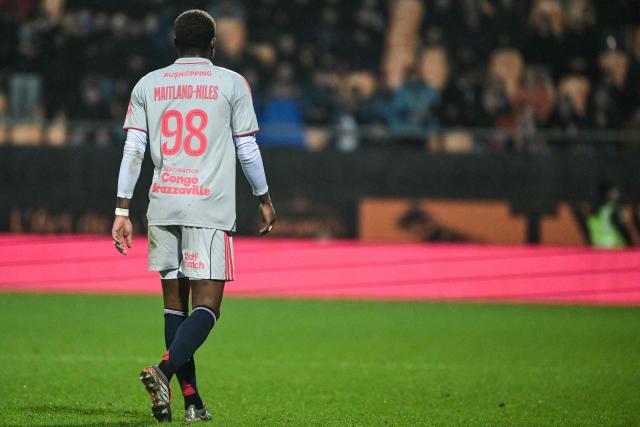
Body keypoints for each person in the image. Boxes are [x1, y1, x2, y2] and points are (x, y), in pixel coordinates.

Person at [110, 9, 276, 423]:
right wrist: (264, 197)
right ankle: (163, 372)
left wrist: (121, 209)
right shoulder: (232, 83)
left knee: (174, 308)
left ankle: (192, 403)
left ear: (174, 43)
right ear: (213, 44)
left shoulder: (148, 84)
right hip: (208, 207)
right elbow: (247, 149)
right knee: (207, 307)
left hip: (163, 204)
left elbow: (133, 150)